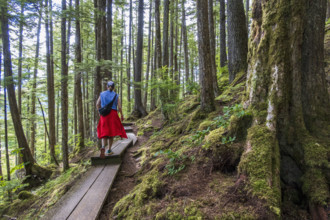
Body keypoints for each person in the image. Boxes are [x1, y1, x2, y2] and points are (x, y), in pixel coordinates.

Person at [96, 81, 127, 158]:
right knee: (111, 133)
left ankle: (103, 146)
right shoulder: (116, 95)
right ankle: (109, 150)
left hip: (104, 115)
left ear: (107, 87)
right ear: (113, 87)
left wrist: (99, 112)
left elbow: (97, 104)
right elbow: (119, 107)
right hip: (113, 114)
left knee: (104, 132)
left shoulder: (102, 94)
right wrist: (122, 115)